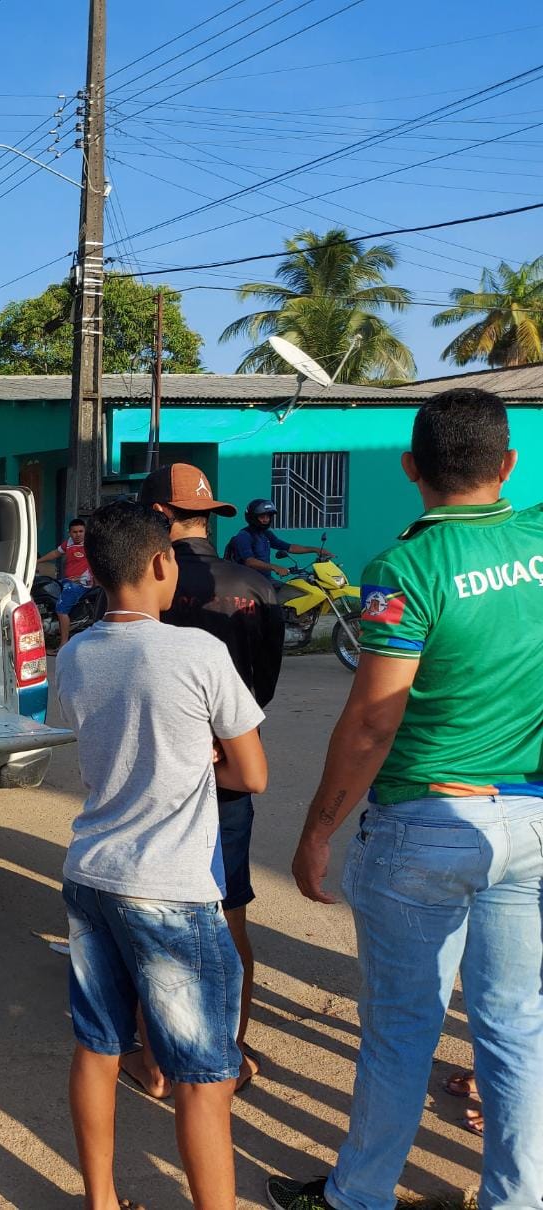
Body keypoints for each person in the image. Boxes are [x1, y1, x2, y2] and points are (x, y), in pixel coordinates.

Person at [268, 388, 543, 1210]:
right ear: (510, 465)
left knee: (401, 1033)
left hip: (424, 825)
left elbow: (373, 719)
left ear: (411, 469)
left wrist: (319, 828)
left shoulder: (405, 567)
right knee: (513, 1028)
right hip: (529, 822)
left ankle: (359, 1199)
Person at [56, 501, 267, 1210]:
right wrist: (200, 757)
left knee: (99, 1044)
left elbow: (89, 737)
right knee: (205, 1079)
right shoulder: (197, 652)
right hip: (172, 889)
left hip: (90, 875)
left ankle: (103, 1203)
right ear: (159, 563)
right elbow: (253, 774)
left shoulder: (77, 653)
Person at [131, 463, 284, 1100]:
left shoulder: (144, 586)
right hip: (229, 772)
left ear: (159, 517)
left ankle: (158, 1059)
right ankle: (231, 1050)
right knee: (230, 914)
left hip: (156, 770)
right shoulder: (255, 585)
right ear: (209, 515)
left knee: (149, 912)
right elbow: (266, 687)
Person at [225, 499, 332, 580]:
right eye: (262, 517)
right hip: (249, 582)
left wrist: (316, 549)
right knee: (276, 606)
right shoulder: (244, 536)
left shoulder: (266, 534)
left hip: (265, 580)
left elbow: (289, 547)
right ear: (253, 517)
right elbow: (249, 561)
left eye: (268, 517)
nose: (266, 520)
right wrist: (275, 567)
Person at [36, 517, 94, 644]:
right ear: (70, 532)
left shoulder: (90, 545)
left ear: (85, 531)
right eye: (75, 532)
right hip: (67, 581)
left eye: (81, 531)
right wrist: (37, 561)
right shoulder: (68, 543)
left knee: (61, 609)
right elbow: (55, 553)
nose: (78, 534)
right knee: (49, 591)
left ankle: (63, 643)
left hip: (81, 584)